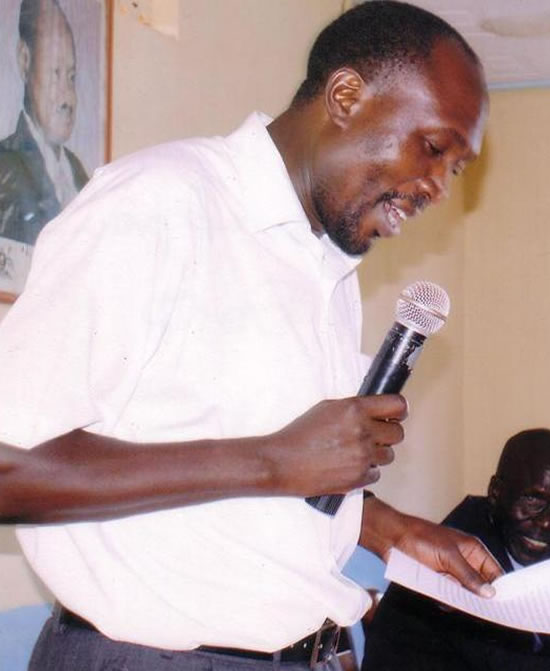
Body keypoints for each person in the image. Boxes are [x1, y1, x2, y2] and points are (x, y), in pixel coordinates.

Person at [0, 3, 503, 669]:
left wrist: (390, 531)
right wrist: (270, 459)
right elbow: (9, 464)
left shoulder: (328, 265)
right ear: (346, 97)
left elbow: (263, 479)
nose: (438, 187)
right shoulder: (160, 202)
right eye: (434, 148)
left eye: (456, 168)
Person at [361, 428, 550, 671]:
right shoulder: (458, 552)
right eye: (533, 500)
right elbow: (517, 665)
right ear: (496, 493)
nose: (548, 523)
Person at [0, 0, 89, 246]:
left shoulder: (79, 172)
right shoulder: (4, 169)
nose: (68, 98)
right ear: (24, 60)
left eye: (71, 77)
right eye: (55, 73)